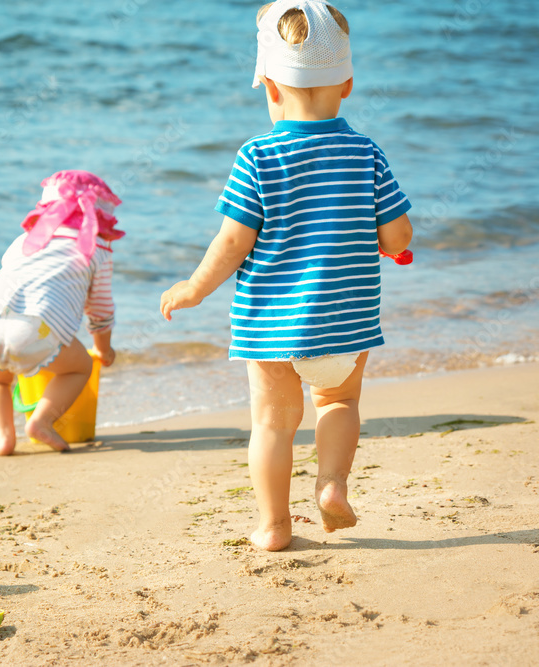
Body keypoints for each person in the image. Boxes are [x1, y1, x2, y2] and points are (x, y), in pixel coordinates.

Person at [160, 0, 414, 551]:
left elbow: (232, 242)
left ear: (270, 87)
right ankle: (331, 486)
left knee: (273, 424)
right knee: (339, 404)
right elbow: (398, 237)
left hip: (272, 328)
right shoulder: (366, 152)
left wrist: (194, 287)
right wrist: (380, 242)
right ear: (346, 83)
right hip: (346, 325)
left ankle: (275, 525)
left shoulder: (257, 156)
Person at [0, 170, 120, 456]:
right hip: (35, 331)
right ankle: (41, 422)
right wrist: (104, 349)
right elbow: (100, 310)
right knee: (80, 368)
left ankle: (2, 439)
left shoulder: (24, 240)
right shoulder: (97, 250)